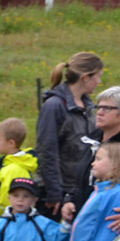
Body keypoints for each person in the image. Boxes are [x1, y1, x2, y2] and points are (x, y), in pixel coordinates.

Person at [61, 86, 120, 232]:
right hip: (84, 226)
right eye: (98, 107)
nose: (99, 112)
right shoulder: (93, 140)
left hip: (109, 229)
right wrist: (70, 200)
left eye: (107, 108)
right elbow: (83, 181)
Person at [35, 51, 103, 220]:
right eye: (98, 77)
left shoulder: (89, 107)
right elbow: (47, 151)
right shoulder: (54, 106)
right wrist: (54, 193)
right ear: (85, 77)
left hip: (78, 190)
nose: (99, 82)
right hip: (55, 194)